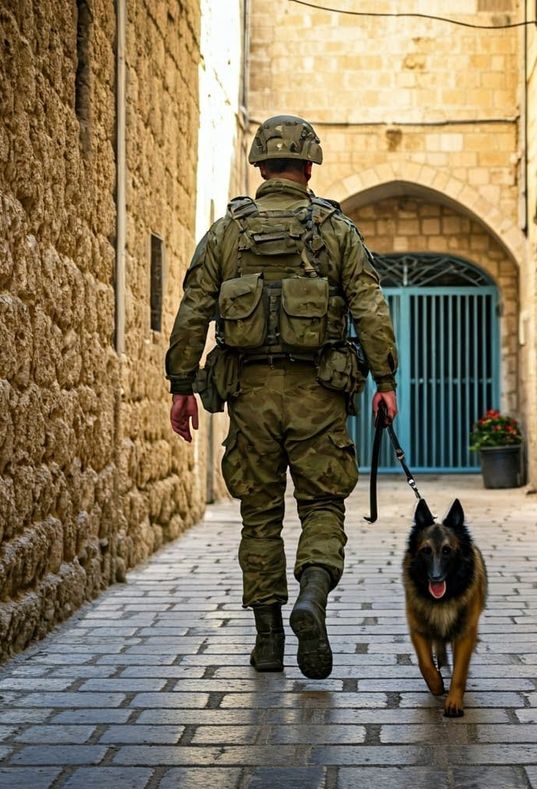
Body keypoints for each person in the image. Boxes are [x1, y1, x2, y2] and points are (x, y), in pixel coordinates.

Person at [166, 115, 399, 678]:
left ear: (260, 167)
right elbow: (369, 307)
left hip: (248, 394)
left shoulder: (227, 232)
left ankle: (267, 642)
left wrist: (181, 386)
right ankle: (312, 599)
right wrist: (386, 381)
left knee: (259, 516)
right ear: (310, 166)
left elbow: (194, 309)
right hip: (318, 393)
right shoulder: (334, 230)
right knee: (321, 506)